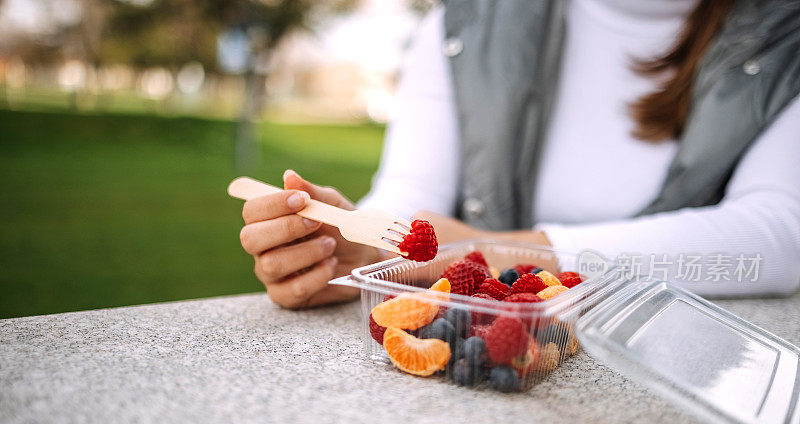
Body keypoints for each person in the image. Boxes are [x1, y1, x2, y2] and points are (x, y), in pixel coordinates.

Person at [239, 0, 800, 309]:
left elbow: (778, 236)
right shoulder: (466, 23)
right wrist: (358, 245)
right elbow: (412, 199)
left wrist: (497, 254)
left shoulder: (786, 39)